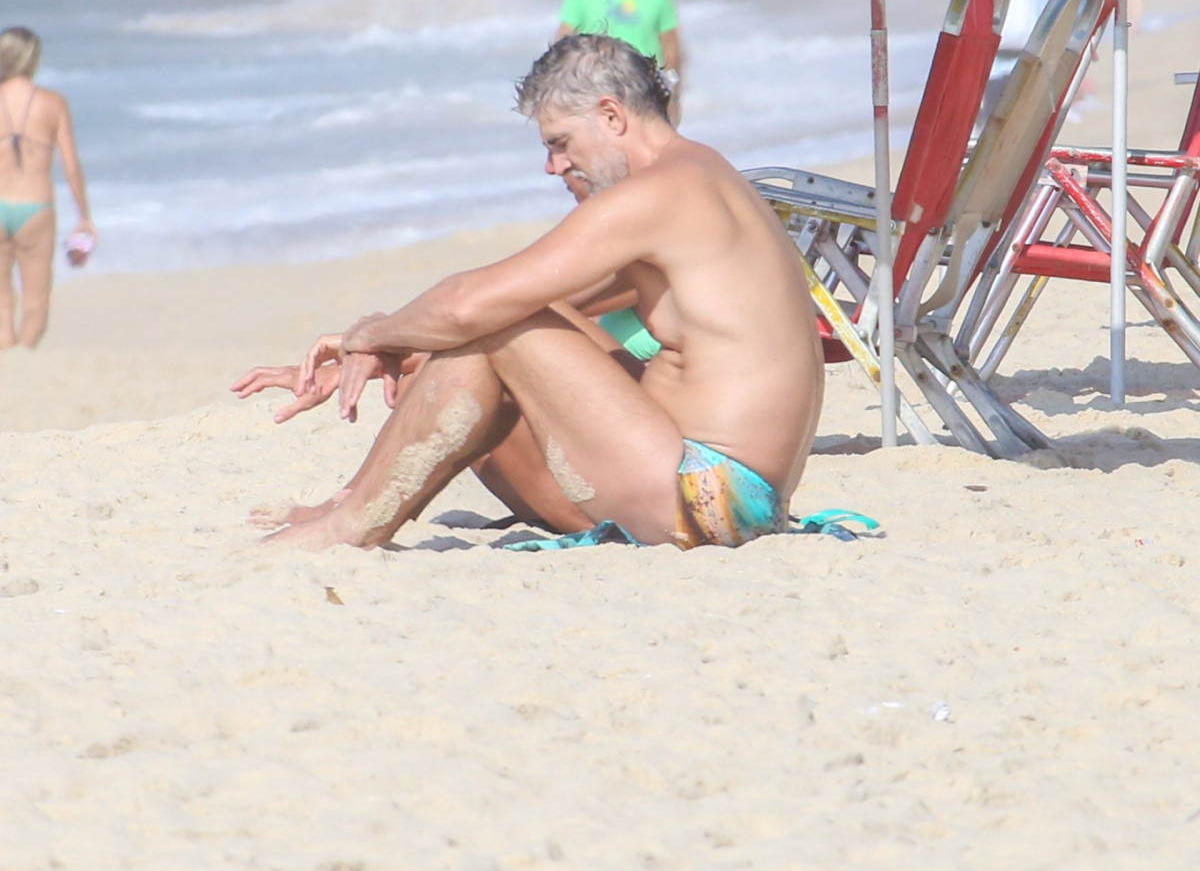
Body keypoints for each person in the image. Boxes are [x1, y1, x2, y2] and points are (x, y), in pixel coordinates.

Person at [231, 35, 824, 551]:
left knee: (494, 322)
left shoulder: (658, 193)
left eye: (561, 142)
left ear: (612, 117)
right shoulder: (705, 174)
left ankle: (350, 525)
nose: (551, 166)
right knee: (488, 327)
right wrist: (390, 356)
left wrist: (369, 333)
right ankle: (349, 505)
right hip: (733, 497)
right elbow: (559, 305)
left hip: (706, 498)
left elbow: (471, 305)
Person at [0, 27, 95, 350]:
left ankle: (6, 367)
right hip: (36, 208)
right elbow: (71, 166)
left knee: (1, 304)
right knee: (36, 304)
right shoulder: (52, 103)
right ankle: (22, 361)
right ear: (32, 58)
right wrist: (84, 217)